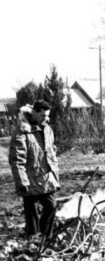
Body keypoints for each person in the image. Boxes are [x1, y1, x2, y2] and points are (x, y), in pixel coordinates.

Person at [9, 101, 60, 238]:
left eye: (47, 116)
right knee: (31, 213)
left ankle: (45, 237)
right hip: (29, 179)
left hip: (44, 178)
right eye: (42, 115)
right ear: (35, 113)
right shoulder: (23, 130)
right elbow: (17, 159)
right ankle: (32, 240)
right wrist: (22, 182)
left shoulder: (47, 129)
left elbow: (50, 152)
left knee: (52, 206)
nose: (46, 118)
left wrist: (54, 175)